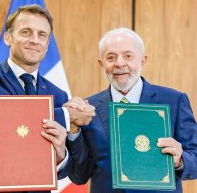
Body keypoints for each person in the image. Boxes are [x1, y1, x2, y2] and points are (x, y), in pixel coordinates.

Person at [0, 4, 95, 193]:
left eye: (42, 35)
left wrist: (63, 153)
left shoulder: (58, 95)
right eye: (26, 32)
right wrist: (68, 116)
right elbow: (7, 118)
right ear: (8, 37)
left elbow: (79, 173)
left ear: (47, 44)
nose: (35, 40)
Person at [66, 27, 197, 193]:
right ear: (101, 64)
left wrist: (180, 160)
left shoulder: (175, 101)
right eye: (110, 57)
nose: (119, 63)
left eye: (128, 56)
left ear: (143, 60)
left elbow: (195, 157)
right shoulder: (87, 108)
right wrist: (73, 131)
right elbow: (79, 176)